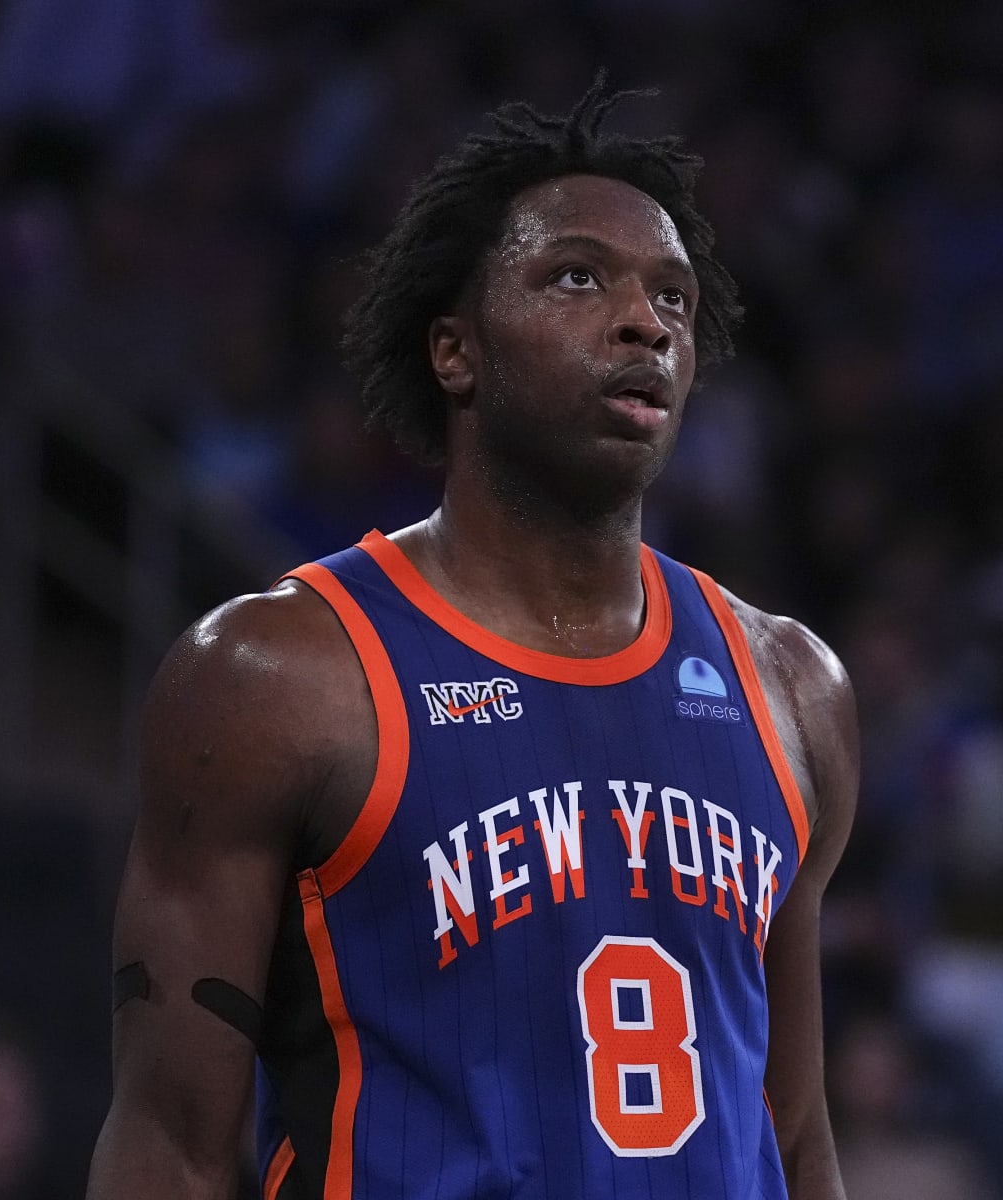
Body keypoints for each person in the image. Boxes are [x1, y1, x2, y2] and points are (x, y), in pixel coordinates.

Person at [87, 78, 858, 1200]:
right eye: (578, 276)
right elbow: (171, 1146)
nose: (645, 321)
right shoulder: (278, 677)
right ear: (456, 352)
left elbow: (792, 1137)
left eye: (674, 300)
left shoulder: (793, 687)